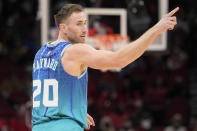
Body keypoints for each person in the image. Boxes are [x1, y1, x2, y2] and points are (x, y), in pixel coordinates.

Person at [32, 3, 179, 131]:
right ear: (63, 28)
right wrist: (155, 30)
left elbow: (51, 92)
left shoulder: (41, 53)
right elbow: (119, 60)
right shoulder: (75, 50)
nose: (84, 29)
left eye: (85, 23)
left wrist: (74, 109)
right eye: (78, 24)